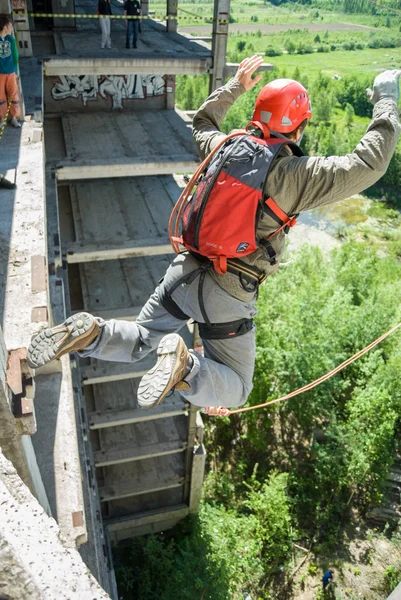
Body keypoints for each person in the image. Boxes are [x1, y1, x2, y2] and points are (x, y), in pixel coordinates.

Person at [27, 56, 401, 414]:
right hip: (229, 291)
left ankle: (90, 334)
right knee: (237, 386)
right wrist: (386, 100)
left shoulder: (224, 145)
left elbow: (203, 122)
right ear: (299, 126)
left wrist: (235, 86)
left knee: (142, 339)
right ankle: (185, 368)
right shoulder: (295, 174)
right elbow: (368, 163)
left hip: (184, 271)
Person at [0, 14, 21, 130]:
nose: (11, 28)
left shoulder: (11, 40)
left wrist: (16, 71)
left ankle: (14, 118)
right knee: (0, 97)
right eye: (10, 26)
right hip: (0, 73)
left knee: (13, 95)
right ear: (4, 27)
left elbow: (15, 56)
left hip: (11, 72)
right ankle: (2, 118)